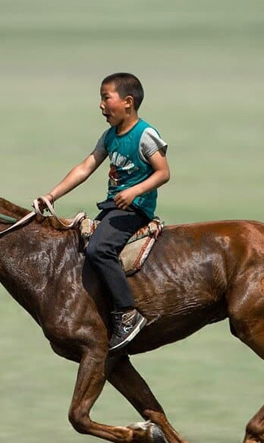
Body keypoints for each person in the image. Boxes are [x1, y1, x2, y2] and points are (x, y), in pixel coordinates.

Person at [35, 72, 169, 352]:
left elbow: (163, 173)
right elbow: (85, 167)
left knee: (100, 249)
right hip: (113, 207)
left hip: (135, 209)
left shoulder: (145, 134)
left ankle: (128, 314)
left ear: (128, 102)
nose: (101, 105)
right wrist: (51, 196)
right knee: (82, 247)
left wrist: (134, 192)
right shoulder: (109, 137)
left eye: (106, 98)